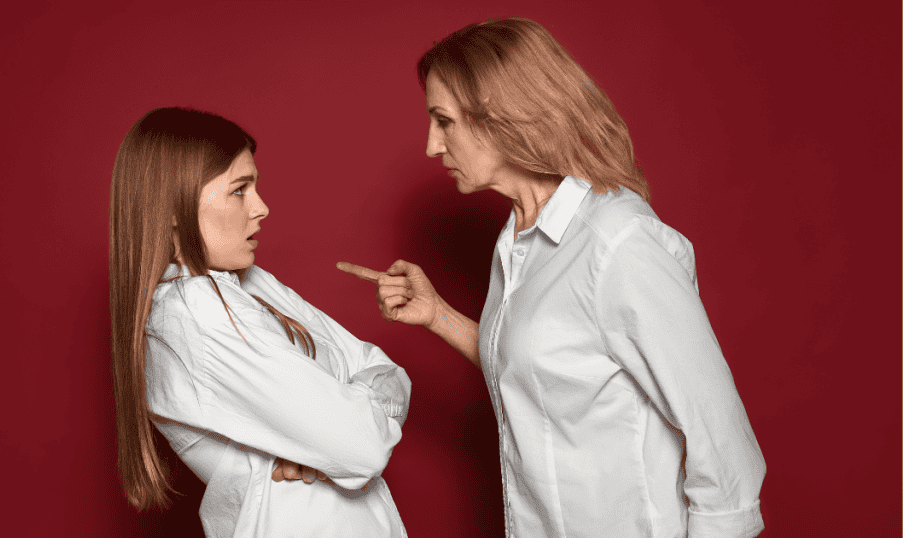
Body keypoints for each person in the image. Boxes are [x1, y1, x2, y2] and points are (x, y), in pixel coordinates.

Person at [338, 17, 765, 538]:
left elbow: (723, 446)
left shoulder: (618, 243)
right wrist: (440, 317)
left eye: (444, 121)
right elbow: (541, 366)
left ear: (502, 118)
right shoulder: (516, 239)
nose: (431, 145)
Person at [110, 107, 411, 537]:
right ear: (172, 205)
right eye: (239, 190)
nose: (262, 207)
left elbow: (387, 372)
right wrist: (340, 426)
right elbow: (364, 447)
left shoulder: (245, 282)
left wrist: (327, 436)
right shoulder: (194, 312)